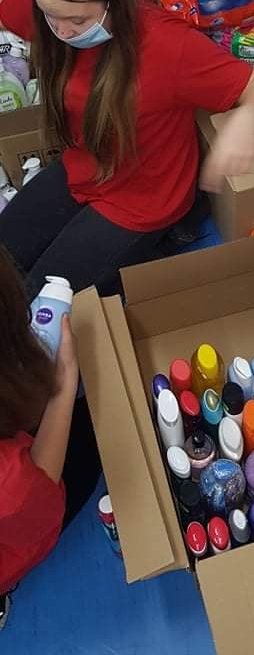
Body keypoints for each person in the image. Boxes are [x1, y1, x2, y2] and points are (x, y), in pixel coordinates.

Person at [0, 0, 254, 299]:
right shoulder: (50, 14)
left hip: (144, 199)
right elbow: (11, 10)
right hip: (84, 167)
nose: (62, 32)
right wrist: (51, 17)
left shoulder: (168, 46)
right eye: (51, 16)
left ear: (112, 0)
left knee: (36, 300)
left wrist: (246, 124)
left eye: (78, 20)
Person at [0, 246, 101, 628]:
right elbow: (41, 491)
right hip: (25, 512)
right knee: (92, 439)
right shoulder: (11, 490)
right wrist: (64, 383)